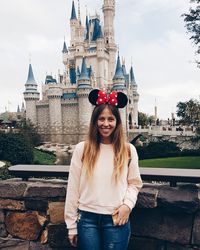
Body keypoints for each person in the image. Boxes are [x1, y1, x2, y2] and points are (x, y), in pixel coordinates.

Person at [65, 89, 143, 250]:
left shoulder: (128, 150)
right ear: (94, 121)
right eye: (101, 119)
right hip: (86, 219)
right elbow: (72, 188)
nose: (105, 124)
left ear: (117, 122)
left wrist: (127, 205)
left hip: (116, 218)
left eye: (110, 119)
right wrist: (71, 225)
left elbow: (134, 184)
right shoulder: (82, 149)